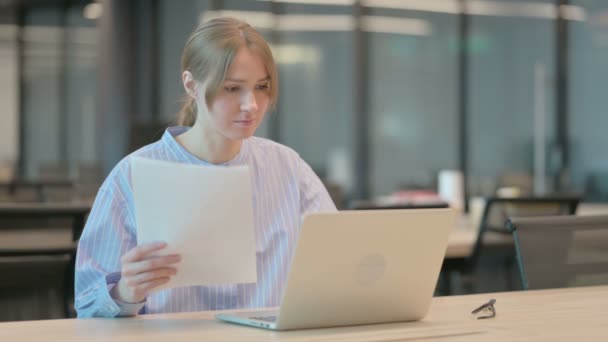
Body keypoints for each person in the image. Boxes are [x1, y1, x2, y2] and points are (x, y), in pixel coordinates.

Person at [75, 17, 336, 318]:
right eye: (232, 88)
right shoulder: (131, 177)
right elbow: (87, 311)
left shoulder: (290, 169)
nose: (250, 104)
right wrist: (125, 293)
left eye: (261, 87)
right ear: (191, 84)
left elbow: (339, 263)